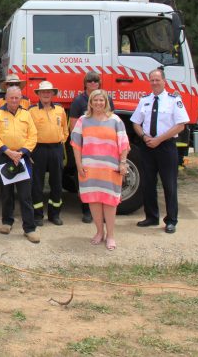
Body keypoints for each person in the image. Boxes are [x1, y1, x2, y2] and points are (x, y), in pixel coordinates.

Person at [131, 68, 189, 234]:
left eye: (157, 80)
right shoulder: (145, 100)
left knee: (169, 184)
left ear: (164, 81)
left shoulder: (173, 100)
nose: (154, 83)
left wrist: (159, 139)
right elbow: (135, 122)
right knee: (148, 183)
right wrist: (143, 137)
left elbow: (180, 125)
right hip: (148, 146)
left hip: (166, 147)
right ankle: (151, 217)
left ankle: (171, 220)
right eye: (152, 80)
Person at [71, 90, 130, 251]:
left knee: (110, 202)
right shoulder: (83, 120)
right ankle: (99, 232)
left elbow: (124, 143)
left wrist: (123, 163)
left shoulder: (115, 120)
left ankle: (110, 235)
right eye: (95, 100)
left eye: (101, 100)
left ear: (106, 102)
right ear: (90, 102)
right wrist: (78, 164)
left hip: (110, 169)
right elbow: (76, 144)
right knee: (94, 200)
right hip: (90, 168)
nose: (98, 103)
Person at [0, 86, 39, 243]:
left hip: (22, 158)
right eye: (12, 98)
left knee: (25, 195)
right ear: (6, 98)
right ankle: (7, 222)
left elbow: (33, 135)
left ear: (21, 98)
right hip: (4, 157)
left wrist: (22, 152)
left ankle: (29, 229)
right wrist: (8, 152)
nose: (14, 100)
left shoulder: (26, 114)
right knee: (6, 193)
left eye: (17, 98)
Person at [68, 71, 115, 223]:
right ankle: (87, 211)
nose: (93, 83)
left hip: (104, 148)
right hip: (87, 148)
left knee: (103, 180)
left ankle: (104, 212)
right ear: (85, 83)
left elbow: (111, 121)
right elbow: (74, 126)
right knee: (85, 179)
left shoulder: (107, 99)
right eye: (90, 81)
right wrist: (79, 147)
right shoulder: (78, 101)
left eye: (95, 81)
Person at [28, 81, 69, 226]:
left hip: (56, 149)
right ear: (38, 94)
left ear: (53, 94)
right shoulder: (31, 111)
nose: (46, 94)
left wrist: (61, 140)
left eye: (48, 92)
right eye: (43, 92)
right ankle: (38, 215)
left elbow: (65, 129)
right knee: (37, 184)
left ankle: (54, 214)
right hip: (38, 150)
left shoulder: (60, 110)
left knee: (57, 183)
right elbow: (28, 132)